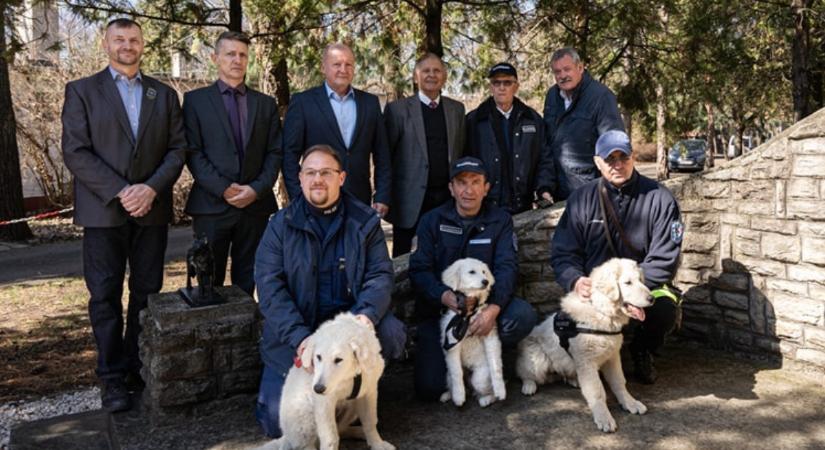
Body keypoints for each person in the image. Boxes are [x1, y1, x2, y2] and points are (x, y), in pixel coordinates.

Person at [61, 18, 186, 412]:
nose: (127, 45)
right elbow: (75, 151)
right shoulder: (82, 91)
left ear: (142, 45)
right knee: (105, 296)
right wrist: (121, 191)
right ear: (106, 44)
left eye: (133, 39)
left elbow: (177, 149)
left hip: (151, 209)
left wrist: (150, 188)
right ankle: (111, 377)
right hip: (103, 213)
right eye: (120, 39)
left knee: (147, 293)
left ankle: (137, 365)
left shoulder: (163, 94)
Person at [254, 144, 406, 438]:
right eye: (310, 172)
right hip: (298, 332)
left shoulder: (365, 222)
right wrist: (301, 340)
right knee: (276, 424)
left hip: (344, 332)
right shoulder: (280, 226)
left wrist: (365, 318)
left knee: (390, 332)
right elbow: (270, 289)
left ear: (342, 177)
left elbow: (380, 276)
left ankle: (354, 391)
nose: (318, 179)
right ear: (299, 179)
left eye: (326, 172)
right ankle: (332, 403)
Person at [550, 130, 683, 384]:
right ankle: (583, 365)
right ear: (598, 162)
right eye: (610, 159)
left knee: (664, 309)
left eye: (624, 157)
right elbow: (563, 252)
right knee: (563, 323)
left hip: (645, 287)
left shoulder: (661, 199)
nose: (618, 165)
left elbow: (665, 259)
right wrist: (576, 281)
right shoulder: (581, 199)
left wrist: (628, 291)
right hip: (596, 292)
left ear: (633, 157)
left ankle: (642, 351)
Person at [409, 156, 538, 400]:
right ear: (451, 188)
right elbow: (419, 270)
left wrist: (493, 310)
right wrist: (444, 296)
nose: (468, 190)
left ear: (486, 187)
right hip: (443, 312)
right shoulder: (431, 221)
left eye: (476, 182)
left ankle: (488, 364)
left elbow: (507, 267)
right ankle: (461, 370)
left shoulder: (499, 220)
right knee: (430, 389)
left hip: (483, 308)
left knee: (522, 316)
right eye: (461, 182)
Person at [182, 31, 281, 296]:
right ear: (215, 58)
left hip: (254, 206)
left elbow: (275, 152)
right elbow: (192, 152)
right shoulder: (195, 101)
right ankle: (209, 335)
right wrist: (224, 188)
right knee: (206, 279)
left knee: (247, 279)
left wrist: (256, 189)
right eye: (230, 54)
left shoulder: (265, 104)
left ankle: (244, 335)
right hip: (211, 205)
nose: (237, 60)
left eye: (242, 55)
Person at [281, 43, 391, 217]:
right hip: (316, 199)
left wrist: (383, 195)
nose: (343, 69)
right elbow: (289, 155)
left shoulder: (370, 103)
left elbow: (382, 154)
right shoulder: (303, 102)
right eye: (337, 64)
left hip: (359, 200)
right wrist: (300, 196)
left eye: (348, 65)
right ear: (324, 68)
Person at [384, 53, 465, 257]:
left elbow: (461, 151)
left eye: (437, 70)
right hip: (409, 200)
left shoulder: (456, 109)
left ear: (444, 77)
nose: (431, 75)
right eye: (425, 71)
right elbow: (386, 157)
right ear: (415, 76)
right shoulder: (397, 110)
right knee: (404, 259)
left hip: (447, 199)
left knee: (447, 255)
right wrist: (384, 195)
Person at [466, 62, 555, 214]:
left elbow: (544, 159)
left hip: (524, 206)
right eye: (496, 82)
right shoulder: (474, 120)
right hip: (485, 207)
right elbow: (466, 163)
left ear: (516, 86)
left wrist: (544, 189)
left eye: (507, 82)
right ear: (490, 87)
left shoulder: (532, 119)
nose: (502, 87)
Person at [543, 47, 625, 201]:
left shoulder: (601, 97)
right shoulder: (552, 97)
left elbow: (613, 147)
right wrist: (545, 185)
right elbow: (547, 144)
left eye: (567, 69)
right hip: (558, 192)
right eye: (557, 72)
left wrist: (612, 191)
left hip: (591, 191)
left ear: (580, 68)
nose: (563, 76)